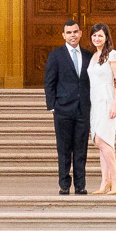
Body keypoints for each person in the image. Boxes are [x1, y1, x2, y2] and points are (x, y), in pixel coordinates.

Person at [42, 16, 91, 196]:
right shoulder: (55, 55)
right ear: (63, 35)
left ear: (80, 34)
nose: (72, 35)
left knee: (81, 149)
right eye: (69, 32)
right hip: (62, 109)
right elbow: (49, 82)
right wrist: (52, 106)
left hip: (82, 110)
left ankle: (80, 185)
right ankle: (64, 185)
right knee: (63, 149)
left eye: (75, 32)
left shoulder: (88, 55)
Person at [87, 22, 116, 195]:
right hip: (94, 102)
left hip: (107, 101)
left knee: (104, 141)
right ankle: (105, 181)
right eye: (94, 35)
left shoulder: (113, 55)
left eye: (100, 35)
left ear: (106, 37)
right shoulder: (94, 56)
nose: (97, 38)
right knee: (99, 141)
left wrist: (115, 104)